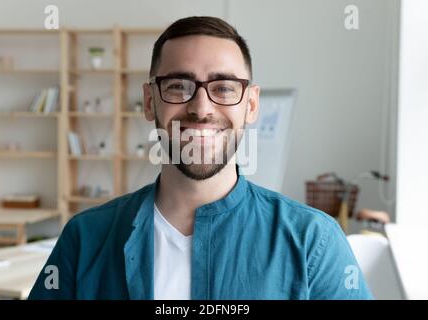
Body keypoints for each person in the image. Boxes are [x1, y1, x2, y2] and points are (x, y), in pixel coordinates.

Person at [28, 16, 373, 300]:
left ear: (251, 105)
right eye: (179, 85)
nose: (201, 108)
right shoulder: (85, 238)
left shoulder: (314, 242)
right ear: (150, 102)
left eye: (223, 88)